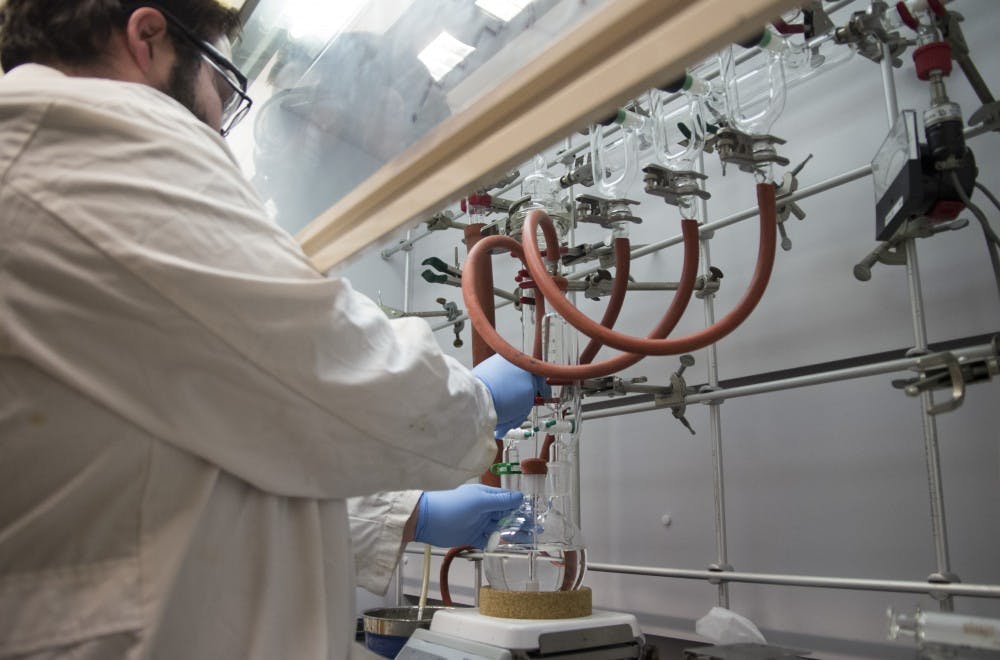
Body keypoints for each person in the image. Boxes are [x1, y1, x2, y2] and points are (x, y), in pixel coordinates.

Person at [0, 2, 545, 659]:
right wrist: (474, 405)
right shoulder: (81, 134)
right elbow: (317, 366)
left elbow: (209, 443)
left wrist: (402, 515)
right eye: (225, 89)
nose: (221, 125)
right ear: (146, 38)